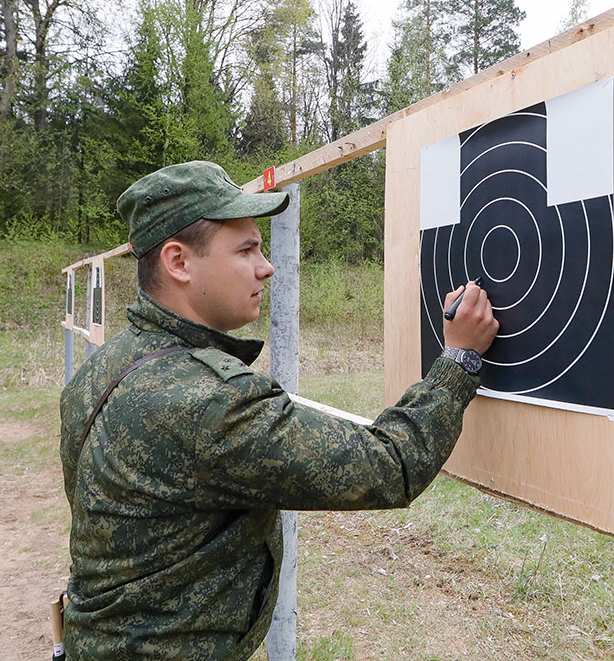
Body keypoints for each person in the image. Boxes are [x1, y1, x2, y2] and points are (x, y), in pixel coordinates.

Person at [59, 160, 498, 660]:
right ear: (178, 262)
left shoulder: (103, 367)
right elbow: (391, 466)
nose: (266, 267)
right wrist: (459, 358)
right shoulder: (209, 401)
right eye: (246, 249)